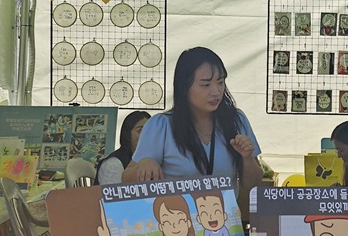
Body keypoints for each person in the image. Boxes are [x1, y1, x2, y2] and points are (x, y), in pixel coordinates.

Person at [123, 47, 263, 192]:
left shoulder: (236, 120)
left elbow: (253, 184)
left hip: (224, 207)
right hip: (175, 207)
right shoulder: (161, 125)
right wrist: (144, 164)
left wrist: (247, 158)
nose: (216, 92)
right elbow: (126, 179)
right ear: (184, 86)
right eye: (206, 85)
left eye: (220, 82)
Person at [95, 110, 150, 184]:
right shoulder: (114, 164)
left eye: (150, 131)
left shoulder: (154, 160)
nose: (146, 135)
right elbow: (112, 191)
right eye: (140, 131)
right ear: (127, 134)